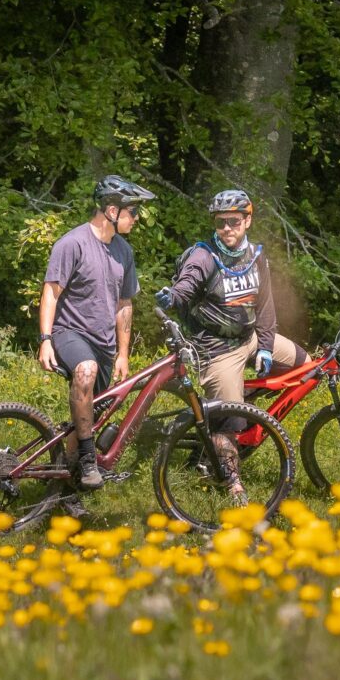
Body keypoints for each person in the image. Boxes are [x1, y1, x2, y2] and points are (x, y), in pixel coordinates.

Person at [159, 187, 302, 503]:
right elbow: (187, 283)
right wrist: (173, 296)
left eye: (234, 222)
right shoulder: (203, 256)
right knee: (230, 423)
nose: (227, 229)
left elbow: (264, 305)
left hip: (250, 339)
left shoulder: (256, 255)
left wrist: (265, 345)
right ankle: (230, 482)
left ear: (247, 220)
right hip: (216, 349)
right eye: (221, 222)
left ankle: (238, 401)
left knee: (304, 366)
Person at [37, 176, 153, 489]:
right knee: (85, 372)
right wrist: (45, 340)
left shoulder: (124, 252)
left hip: (104, 345)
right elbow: (51, 293)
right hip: (69, 333)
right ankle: (89, 461)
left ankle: (64, 488)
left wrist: (123, 353)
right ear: (112, 210)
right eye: (133, 211)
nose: (137, 218)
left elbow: (124, 304)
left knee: (88, 417)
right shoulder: (72, 243)